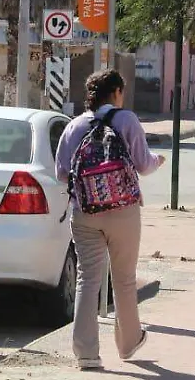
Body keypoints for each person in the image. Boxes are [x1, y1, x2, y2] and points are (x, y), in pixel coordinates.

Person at [56, 69, 166, 371]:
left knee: (87, 279)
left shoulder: (75, 125)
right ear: (116, 92)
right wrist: (157, 160)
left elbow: (61, 173)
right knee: (124, 279)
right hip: (123, 212)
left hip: (84, 212)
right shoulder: (126, 120)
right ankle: (129, 343)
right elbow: (143, 165)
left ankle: (86, 353)